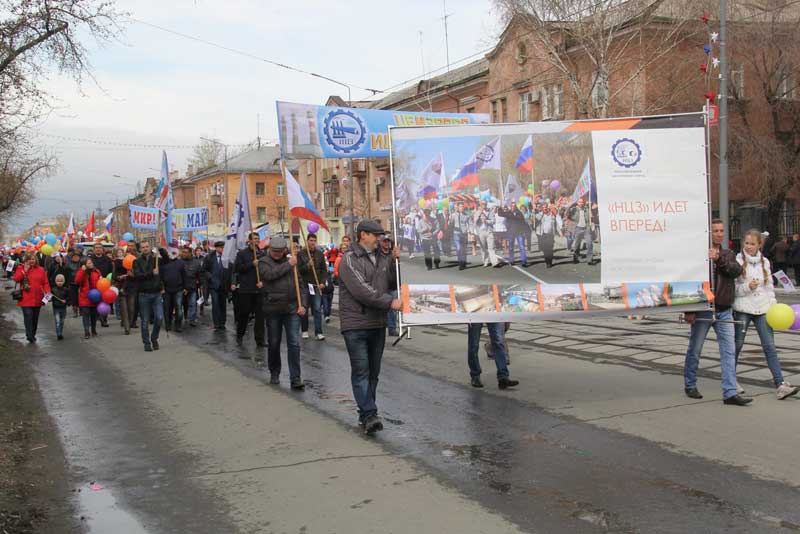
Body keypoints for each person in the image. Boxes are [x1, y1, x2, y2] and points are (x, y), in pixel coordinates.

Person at [338, 220, 402, 434]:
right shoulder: (349, 259)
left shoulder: (383, 258)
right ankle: (369, 414)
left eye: (381, 235)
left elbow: (393, 283)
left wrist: (397, 263)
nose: (380, 239)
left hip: (377, 323)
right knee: (362, 371)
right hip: (356, 324)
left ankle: (367, 413)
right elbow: (362, 291)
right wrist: (389, 303)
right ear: (363, 235)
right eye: (376, 235)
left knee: (373, 373)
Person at [683, 219, 751, 405]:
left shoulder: (727, 254)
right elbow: (691, 280)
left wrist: (718, 258)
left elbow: (735, 271)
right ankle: (690, 384)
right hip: (704, 309)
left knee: (728, 351)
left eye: (722, 230)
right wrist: (690, 309)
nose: (719, 234)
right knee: (695, 349)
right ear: (708, 232)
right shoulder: (698, 254)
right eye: (716, 231)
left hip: (724, 309)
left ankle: (729, 392)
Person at [733, 229, 799, 400]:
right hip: (743, 309)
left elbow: (769, 287)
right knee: (736, 346)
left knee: (769, 346)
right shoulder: (737, 261)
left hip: (763, 309)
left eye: (752, 244)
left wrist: (773, 306)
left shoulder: (765, 262)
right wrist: (748, 287)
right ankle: (730, 380)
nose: (748, 246)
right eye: (746, 243)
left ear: (759, 245)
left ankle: (781, 384)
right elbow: (733, 290)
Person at [259, 236, 307, 390]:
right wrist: (288, 264)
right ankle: (274, 372)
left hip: (292, 308)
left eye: (280, 251)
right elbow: (270, 276)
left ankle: (295, 377)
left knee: (294, 343)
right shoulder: (263, 262)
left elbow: (301, 285)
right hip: (273, 308)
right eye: (275, 251)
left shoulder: (290, 262)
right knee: (274, 342)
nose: (278, 254)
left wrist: (303, 304)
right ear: (270, 250)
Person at [233, 232, 265, 346]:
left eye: (258, 238)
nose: (256, 240)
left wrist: (263, 281)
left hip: (259, 289)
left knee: (260, 316)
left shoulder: (262, 253)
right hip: (246, 289)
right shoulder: (242, 254)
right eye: (254, 238)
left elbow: (265, 270)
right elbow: (238, 268)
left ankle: (260, 340)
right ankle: (240, 335)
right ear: (249, 240)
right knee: (244, 313)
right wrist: (252, 264)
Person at [13, 252, 51, 343]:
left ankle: (32, 333)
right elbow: (16, 279)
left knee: (35, 317)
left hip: (37, 298)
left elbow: (45, 282)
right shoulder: (20, 268)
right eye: (29, 259)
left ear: (36, 260)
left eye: (33, 259)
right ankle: (29, 335)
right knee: (28, 315)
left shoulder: (41, 269)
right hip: (25, 298)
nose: (31, 261)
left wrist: (48, 293)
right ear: (25, 261)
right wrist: (25, 270)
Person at [468, 323, 519, 389]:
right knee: (474, 344)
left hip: (492, 313)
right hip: (474, 314)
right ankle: (475, 375)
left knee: (498, 341)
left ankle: (503, 377)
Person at [134, 241, 164, 352]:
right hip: (144, 294)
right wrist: (152, 273)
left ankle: (154, 338)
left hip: (156, 293)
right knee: (145, 320)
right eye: (143, 247)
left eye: (147, 246)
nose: (145, 248)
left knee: (159, 318)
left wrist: (161, 249)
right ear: (140, 249)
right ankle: (146, 342)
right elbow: (138, 276)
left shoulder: (156, 259)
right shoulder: (136, 262)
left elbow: (166, 259)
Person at [298, 232, 327, 340]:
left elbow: (324, 270)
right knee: (304, 308)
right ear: (307, 241)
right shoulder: (301, 254)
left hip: (316, 285)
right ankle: (304, 330)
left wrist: (323, 282)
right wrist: (307, 266)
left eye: (314, 241)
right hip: (305, 286)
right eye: (311, 241)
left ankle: (318, 332)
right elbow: (298, 270)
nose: (313, 243)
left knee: (317, 309)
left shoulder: (320, 254)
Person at [202, 241, 230, 331]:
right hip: (214, 285)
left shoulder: (227, 257)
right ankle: (216, 323)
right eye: (221, 247)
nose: (223, 249)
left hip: (224, 284)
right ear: (217, 248)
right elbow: (204, 270)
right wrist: (210, 277)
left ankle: (222, 322)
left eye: (223, 247)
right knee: (215, 304)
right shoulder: (209, 257)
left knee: (223, 304)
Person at [160, 249, 187, 333]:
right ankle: (168, 324)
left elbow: (185, 276)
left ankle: (178, 325)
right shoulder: (164, 262)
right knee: (167, 308)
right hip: (166, 290)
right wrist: (162, 288)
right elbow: (160, 277)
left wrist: (186, 287)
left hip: (178, 289)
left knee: (178, 307)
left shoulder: (181, 263)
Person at [74, 257, 101, 339]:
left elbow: (101, 282)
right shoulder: (81, 272)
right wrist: (82, 271)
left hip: (95, 297)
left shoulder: (96, 271)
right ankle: (86, 331)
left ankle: (93, 329)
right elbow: (77, 281)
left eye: (91, 262)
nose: (91, 264)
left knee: (94, 315)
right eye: (89, 263)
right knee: (85, 315)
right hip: (84, 297)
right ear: (84, 265)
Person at [380, 236, 400, 336]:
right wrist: (392, 257)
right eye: (385, 242)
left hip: (393, 285)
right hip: (382, 286)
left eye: (388, 242)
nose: (387, 243)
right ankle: (382, 326)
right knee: (383, 308)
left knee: (393, 309)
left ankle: (392, 329)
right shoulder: (379, 255)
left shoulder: (394, 255)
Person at [88, 243, 113, 327]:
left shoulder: (107, 259)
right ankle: (97, 317)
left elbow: (111, 272)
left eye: (100, 248)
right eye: (96, 248)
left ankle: (104, 319)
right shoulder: (90, 259)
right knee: (96, 302)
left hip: (105, 283)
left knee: (105, 302)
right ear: (94, 249)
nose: (98, 249)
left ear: (103, 249)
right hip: (94, 284)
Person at [472, 201, 501, 268]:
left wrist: (486, 221)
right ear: (480, 205)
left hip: (489, 231)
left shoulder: (490, 212)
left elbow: (493, 221)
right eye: (482, 204)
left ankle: (494, 262)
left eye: (485, 204)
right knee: (483, 248)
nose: (484, 205)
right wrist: (479, 213)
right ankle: (485, 262)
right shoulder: (477, 212)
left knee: (491, 248)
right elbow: (475, 222)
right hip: (481, 232)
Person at [569, 198, 595, 265]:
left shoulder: (587, 209)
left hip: (586, 228)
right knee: (577, 245)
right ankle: (576, 258)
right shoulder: (573, 209)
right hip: (577, 228)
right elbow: (567, 214)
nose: (581, 203)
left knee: (589, 243)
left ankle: (589, 259)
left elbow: (590, 218)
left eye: (582, 202)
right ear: (577, 202)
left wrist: (591, 217)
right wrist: (569, 206)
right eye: (580, 202)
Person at [536, 203, 562, 268]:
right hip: (543, 234)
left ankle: (550, 261)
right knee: (545, 249)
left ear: (548, 208)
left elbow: (556, 224)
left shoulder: (552, 215)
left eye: (546, 207)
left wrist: (560, 232)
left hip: (550, 234)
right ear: (542, 208)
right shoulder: (540, 215)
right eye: (543, 207)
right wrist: (536, 212)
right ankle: (547, 261)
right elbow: (536, 218)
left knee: (550, 249)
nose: (545, 208)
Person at [182, 247, 202, 327]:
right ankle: (180, 318)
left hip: (192, 287)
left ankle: (192, 319)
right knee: (180, 304)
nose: (184, 253)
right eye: (183, 252)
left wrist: (200, 284)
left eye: (186, 252)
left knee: (192, 304)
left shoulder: (196, 263)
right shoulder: (180, 262)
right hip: (181, 288)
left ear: (190, 253)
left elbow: (199, 275)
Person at [449, 202, 471, 270]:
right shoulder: (453, 215)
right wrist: (450, 220)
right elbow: (450, 224)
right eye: (460, 206)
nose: (462, 207)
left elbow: (469, 224)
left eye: (462, 206)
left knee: (464, 249)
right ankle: (460, 263)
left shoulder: (466, 215)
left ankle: (463, 263)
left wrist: (470, 232)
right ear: (457, 207)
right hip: (456, 234)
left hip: (464, 234)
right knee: (458, 249)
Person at [51, 274, 69, 340]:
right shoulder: (53, 290)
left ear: (63, 281)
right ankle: (59, 334)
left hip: (63, 308)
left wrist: (66, 300)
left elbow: (69, 298)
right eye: (58, 281)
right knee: (57, 321)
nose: (59, 282)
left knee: (62, 321)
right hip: (56, 308)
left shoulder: (66, 289)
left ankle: (60, 332)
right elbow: (49, 298)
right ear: (56, 281)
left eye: (61, 281)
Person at [66, 249, 82, 317]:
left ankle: (81, 310)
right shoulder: (68, 264)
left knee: (81, 297)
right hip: (72, 283)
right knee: (73, 298)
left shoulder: (81, 264)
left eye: (77, 256)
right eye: (74, 256)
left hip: (80, 283)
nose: (76, 258)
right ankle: (75, 311)